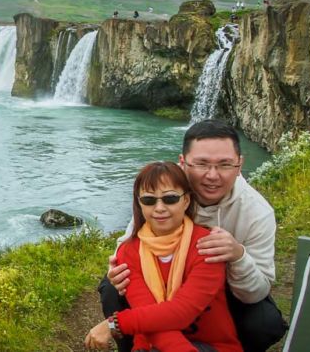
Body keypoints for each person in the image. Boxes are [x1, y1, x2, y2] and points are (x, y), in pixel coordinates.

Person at [99, 120, 287, 352]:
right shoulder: (168, 192)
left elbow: (258, 291)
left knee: (264, 323)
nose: (212, 175)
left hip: (224, 291)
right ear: (183, 162)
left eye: (225, 164)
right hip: (162, 282)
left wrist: (238, 257)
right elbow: (131, 243)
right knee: (112, 286)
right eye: (201, 164)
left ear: (239, 165)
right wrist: (116, 266)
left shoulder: (257, 212)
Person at [85, 162, 242, 352]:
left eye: (170, 199)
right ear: (139, 203)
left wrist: (115, 324)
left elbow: (181, 313)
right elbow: (151, 319)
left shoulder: (207, 246)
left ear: (186, 201)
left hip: (211, 346)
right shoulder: (128, 252)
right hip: (155, 343)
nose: (159, 208)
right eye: (149, 200)